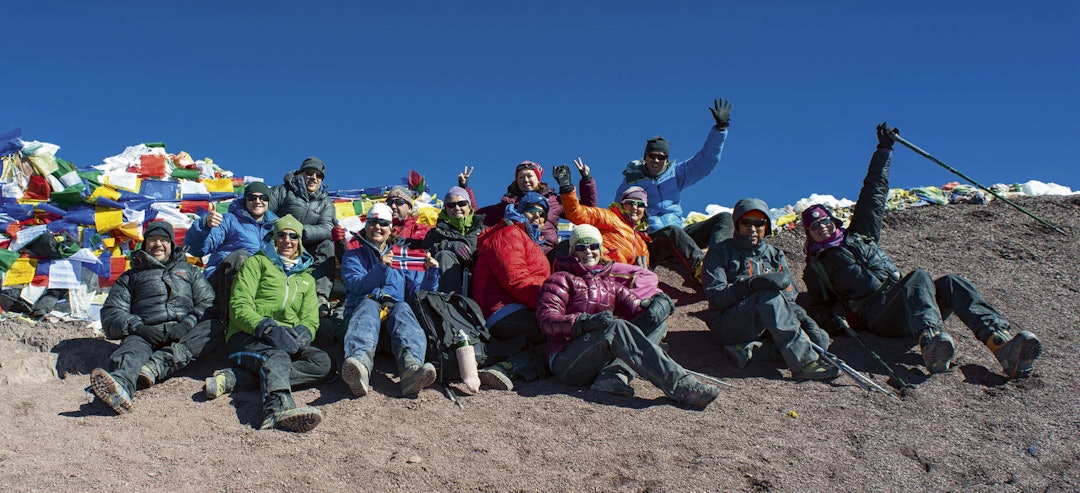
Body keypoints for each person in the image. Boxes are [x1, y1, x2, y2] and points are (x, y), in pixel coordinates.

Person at [801, 123, 1042, 379]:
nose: (822, 228)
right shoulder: (816, 266)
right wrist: (833, 320)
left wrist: (884, 150)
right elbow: (817, 305)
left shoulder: (861, 234)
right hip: (878, 314)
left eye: (825, 221)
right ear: (808, 232)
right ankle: (931, 342)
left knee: (951, 284)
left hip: (905, 300)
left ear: (833, 221)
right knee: (918, 277)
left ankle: (1002, 345)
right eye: (814, 226)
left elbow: (874, 192)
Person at [537, 224, 721, 409]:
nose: (588, 251)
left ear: (600, 250)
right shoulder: (560, 279)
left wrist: (660, 303)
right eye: (580, 247)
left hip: (596, 356)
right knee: (616, 328)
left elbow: (637, 309)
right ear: (572, 251)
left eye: (593, 246)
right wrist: (584, 322)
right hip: (566, 360)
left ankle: (610, 376)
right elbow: (547, 320)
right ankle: (682, 386)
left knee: (656, 325)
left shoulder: (609, 283)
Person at [203, 214, 331, 432]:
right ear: (274, 238)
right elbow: (239, 305)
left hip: (286, 337)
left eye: (293, 236)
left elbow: (310, 316)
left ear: (299, 241)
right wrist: (267, 328)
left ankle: (237, 379)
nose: (287, 241)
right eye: (281, 235)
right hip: (248, 336)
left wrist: (304, 333)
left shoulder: (307, 278)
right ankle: (277, 408)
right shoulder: (257, 263)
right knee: (276, 356)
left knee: (324, 364)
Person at [90, 221, 223, 414]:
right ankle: (121, 386)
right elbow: (112, 312)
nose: (158, 244)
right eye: (152, 240)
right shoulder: (130, 277)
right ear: (145, 245)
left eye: (163, 240)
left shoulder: (190, 272)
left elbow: (209, 303)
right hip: (146, 333)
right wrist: (138, 327)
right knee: (132, 348)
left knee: (214, 327)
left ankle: (160, 364)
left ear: (171, 244)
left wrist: (187, 324)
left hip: (184, 335)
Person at [701, 198, 838, 379]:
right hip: (728, 324)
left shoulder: (775, 254)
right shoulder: (719, 252)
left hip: (768, 325)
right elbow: (716, 297)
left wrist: (800, 316)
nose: (753, 228)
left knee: (820, 340)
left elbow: (789, 296)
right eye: (746, 222)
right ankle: (804, 364)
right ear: (736, 224)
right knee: (767, 296)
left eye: (759, 223)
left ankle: (752, 350)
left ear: (766, 226)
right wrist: (750, 285)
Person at [613, 98, 736, 281]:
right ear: (645, 157)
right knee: (671, 232)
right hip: (651, 241)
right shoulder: (631, 182)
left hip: (679, 234)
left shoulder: (676, 174)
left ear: (666, 159)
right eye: (652, 156)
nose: (656, 160)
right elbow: (617, 213)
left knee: (725, 218)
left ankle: (717, 260)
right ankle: (702, 271)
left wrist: (720, 129)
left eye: (661, 157)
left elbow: (706, 160)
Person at [339, 203, 441, 397]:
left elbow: (418, 295)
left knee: (403, 306)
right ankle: (358, 367)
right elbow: (356, 286)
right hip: (360, 322)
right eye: (372, 222)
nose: (377, 227)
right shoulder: (353, 256)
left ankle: (412, 369)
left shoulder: (402, 257)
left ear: (390, 228)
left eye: (383, 223)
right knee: (368, 303)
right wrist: (381, 267)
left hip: (391, 329)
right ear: (365, 226)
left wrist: (431, 273)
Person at [469, 199, 553, 391]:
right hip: (503, 309)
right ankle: (508, 367)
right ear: (520, 211)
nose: (538, 216)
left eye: (543, 214)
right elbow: (515, 280)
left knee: (560, 333)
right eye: (533, 210)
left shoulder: (527, 239)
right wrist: (548, 306)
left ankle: (506, 365)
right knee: (558, 335)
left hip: (516, 306)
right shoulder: (509, 233)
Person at [552, 160, 661, 299]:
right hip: (600, 265)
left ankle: (629, 305)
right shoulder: (610, 217)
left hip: (618, 278)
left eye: (639, 204)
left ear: (644, 209)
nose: (634, 207)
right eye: (630, 203)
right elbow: (577, 213)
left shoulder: (641, 242)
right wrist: (566, 187)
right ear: (622, 205)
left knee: (656, 289)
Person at [184, 181, 278, 320]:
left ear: (268, 201)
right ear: (245, 200)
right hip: (224, 280)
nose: (257, 201)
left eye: (263, 198)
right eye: (252, 197)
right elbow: (198, 249)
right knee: (241, 257)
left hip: (258, 284)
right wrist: (204, 226)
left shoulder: (275, 229)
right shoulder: (229, 220)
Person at [268, 156, 336, 311]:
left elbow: (327, 226)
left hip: (307, 244)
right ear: (300, 174)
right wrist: (286, 229)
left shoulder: (325, 202)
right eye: (310, 173)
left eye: (318, 176)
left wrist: (302, 231)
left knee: (327, 244)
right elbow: (266, 214)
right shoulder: (282, 191)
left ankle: (320, 295)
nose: (314, 178)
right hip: (279, 239)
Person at [472, 161, 562, 254]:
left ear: (538, 178)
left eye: (529, 176)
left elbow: (576, 212)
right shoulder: (509, 205)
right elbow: (477, 216)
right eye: (521, 177)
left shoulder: (552, 200)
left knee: (565, 248)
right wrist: (465, 191)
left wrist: (566, 188)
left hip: (548, 251)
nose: (526, 180)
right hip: (519, 250)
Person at [422, 186, 485, 294]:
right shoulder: (436, 232)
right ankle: (449, 304)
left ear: (469, 206)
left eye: (461, 204)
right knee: (444, 255)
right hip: (450, 281)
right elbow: (426, 253)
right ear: (445, 209)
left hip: (479, 280)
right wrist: (450, 245)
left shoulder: (483, 229)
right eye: (451, 205)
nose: (456, 208)